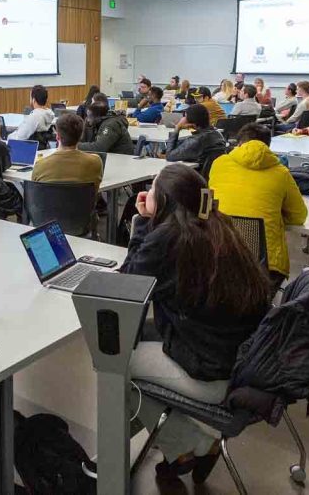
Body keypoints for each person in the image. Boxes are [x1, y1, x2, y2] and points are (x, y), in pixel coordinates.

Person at [122, 164, 269, 479]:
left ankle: (188, 444)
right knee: (134, 338)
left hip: (211, 372)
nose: (147, 193)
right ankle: (177, 438)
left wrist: (142, 224)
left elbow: (128, 287)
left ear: (164, 202)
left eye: (153, 189)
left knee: (113, 361)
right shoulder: (218, 224)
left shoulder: (169, 238)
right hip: (240, 359)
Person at [209, 124, 309, 292]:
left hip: (220, 259)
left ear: (239, 144)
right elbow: (298, 217)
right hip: (266, 268)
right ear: (267, 146)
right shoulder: (281, 172)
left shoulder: (218, 164)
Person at [31, 113, 103, 192]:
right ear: (81, 136)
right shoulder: (95, 161)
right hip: (83, 200)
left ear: (57, 136)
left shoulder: (40, 165)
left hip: (50, 200)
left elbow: (35, 192)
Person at [165, 104, 227, 169]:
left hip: (195, 173)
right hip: (213, 172)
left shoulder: (196, 140)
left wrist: (177, 127)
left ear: (191, 121)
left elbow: (169, 156)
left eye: (185, 117)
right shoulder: (217, 134)